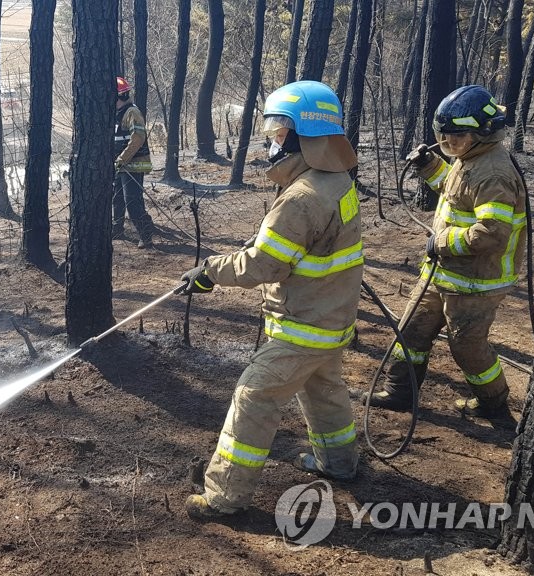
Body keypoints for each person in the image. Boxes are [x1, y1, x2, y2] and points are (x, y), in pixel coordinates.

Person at [178, 80, 363, 521]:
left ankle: (224, 497)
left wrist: (209, 272)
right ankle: (339, 463)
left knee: (254, 396)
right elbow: (305, 246)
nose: (272, 142)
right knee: (325, 392)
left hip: (303, 325)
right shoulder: (335, 181)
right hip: (332, 318)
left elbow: (264, 265)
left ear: (305, 136)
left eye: (279, 132)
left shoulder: (301, 198)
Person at [364, 85, 526, 419]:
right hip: (443, 273)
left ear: (483, 132)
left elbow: (491, 234)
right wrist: (429, 165)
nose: (447, 143)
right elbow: (454, 190)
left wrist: (440, 242)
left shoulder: (494, 173)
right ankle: (399, 392)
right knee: (412, 330)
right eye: (443, 136)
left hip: (475, 282)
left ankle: (493, 404)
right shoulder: (470, 157)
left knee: (467, 346)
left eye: (455, 137)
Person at [113, 76, 156, 248]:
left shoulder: (132, 113)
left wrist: (122, 159)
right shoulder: (118, 114)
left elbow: (138, 137)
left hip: (133, 164)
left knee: (132, 202)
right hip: (121, 165)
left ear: (120, 96)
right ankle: (117, 229)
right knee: (117, 198)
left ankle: (146, 235)